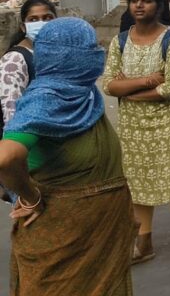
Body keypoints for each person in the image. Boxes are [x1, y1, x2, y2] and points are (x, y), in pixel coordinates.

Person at [0, 18, 135, 296]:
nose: (99, 52)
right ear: (70, 56)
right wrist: (29, 196)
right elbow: (5, 157)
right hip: (61, 242)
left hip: (101, 232)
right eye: (91, 47)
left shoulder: (83, 95)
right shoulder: (46, 99)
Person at [101, 0, 170, 280]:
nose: (139, 5)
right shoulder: (119, 40)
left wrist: (127, 90)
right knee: (137, 184)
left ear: (159, 5)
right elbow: (109, 84)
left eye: (146, 0)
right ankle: (143, 243)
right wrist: (146, 82)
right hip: (131, 127)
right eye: (135, 0)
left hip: (166, 123)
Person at [0, 0, 57, 128]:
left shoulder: (52, 54)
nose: (41, 23)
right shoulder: (14, 60)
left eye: (47, 18)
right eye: (33, 19)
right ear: (23, 27)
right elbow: (11, 114)